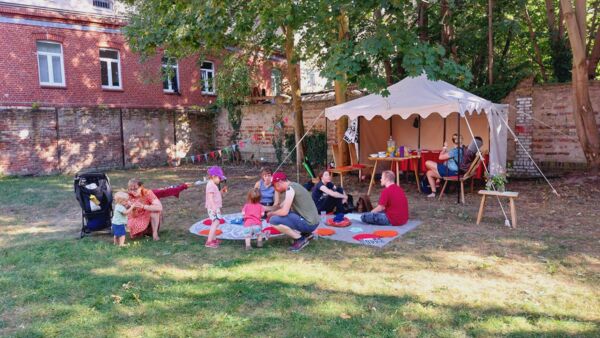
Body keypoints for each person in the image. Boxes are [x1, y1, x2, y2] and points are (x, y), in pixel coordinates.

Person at [267, 172, 320, 252]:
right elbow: (281, 206)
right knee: (285, 215)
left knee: (273, 220)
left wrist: (271, 214)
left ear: (280, 182)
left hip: (309, 224)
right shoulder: (294, 186)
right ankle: (307, 234)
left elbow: (284, 211)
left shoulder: (290, 189)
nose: (275, 189)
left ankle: (300, 239)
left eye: (275, 186)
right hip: (313, 221)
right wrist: (264, 209)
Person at [424, 133, 464, 198]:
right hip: (454, 170)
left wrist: (444, 147)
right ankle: (433, 192)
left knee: (427, 162)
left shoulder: (455, 151)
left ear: (453, 141)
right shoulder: (462, 148)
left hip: (451, 172)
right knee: (429, 173)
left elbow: (440, 157)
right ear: (462, 140)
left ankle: (439, 179)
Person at [204, 166, 227, 248]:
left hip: (215, 207)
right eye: (219, 178)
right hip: (213, 207)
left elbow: (216, 195)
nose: (220, 180)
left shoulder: (213, 184)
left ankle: (213, 239)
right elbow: (210, 198)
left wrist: (222, 192)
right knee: (216, 222)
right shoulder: (210, 185)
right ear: (213, 176)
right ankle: (209, 241)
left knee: (215, 223)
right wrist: (214, 208)